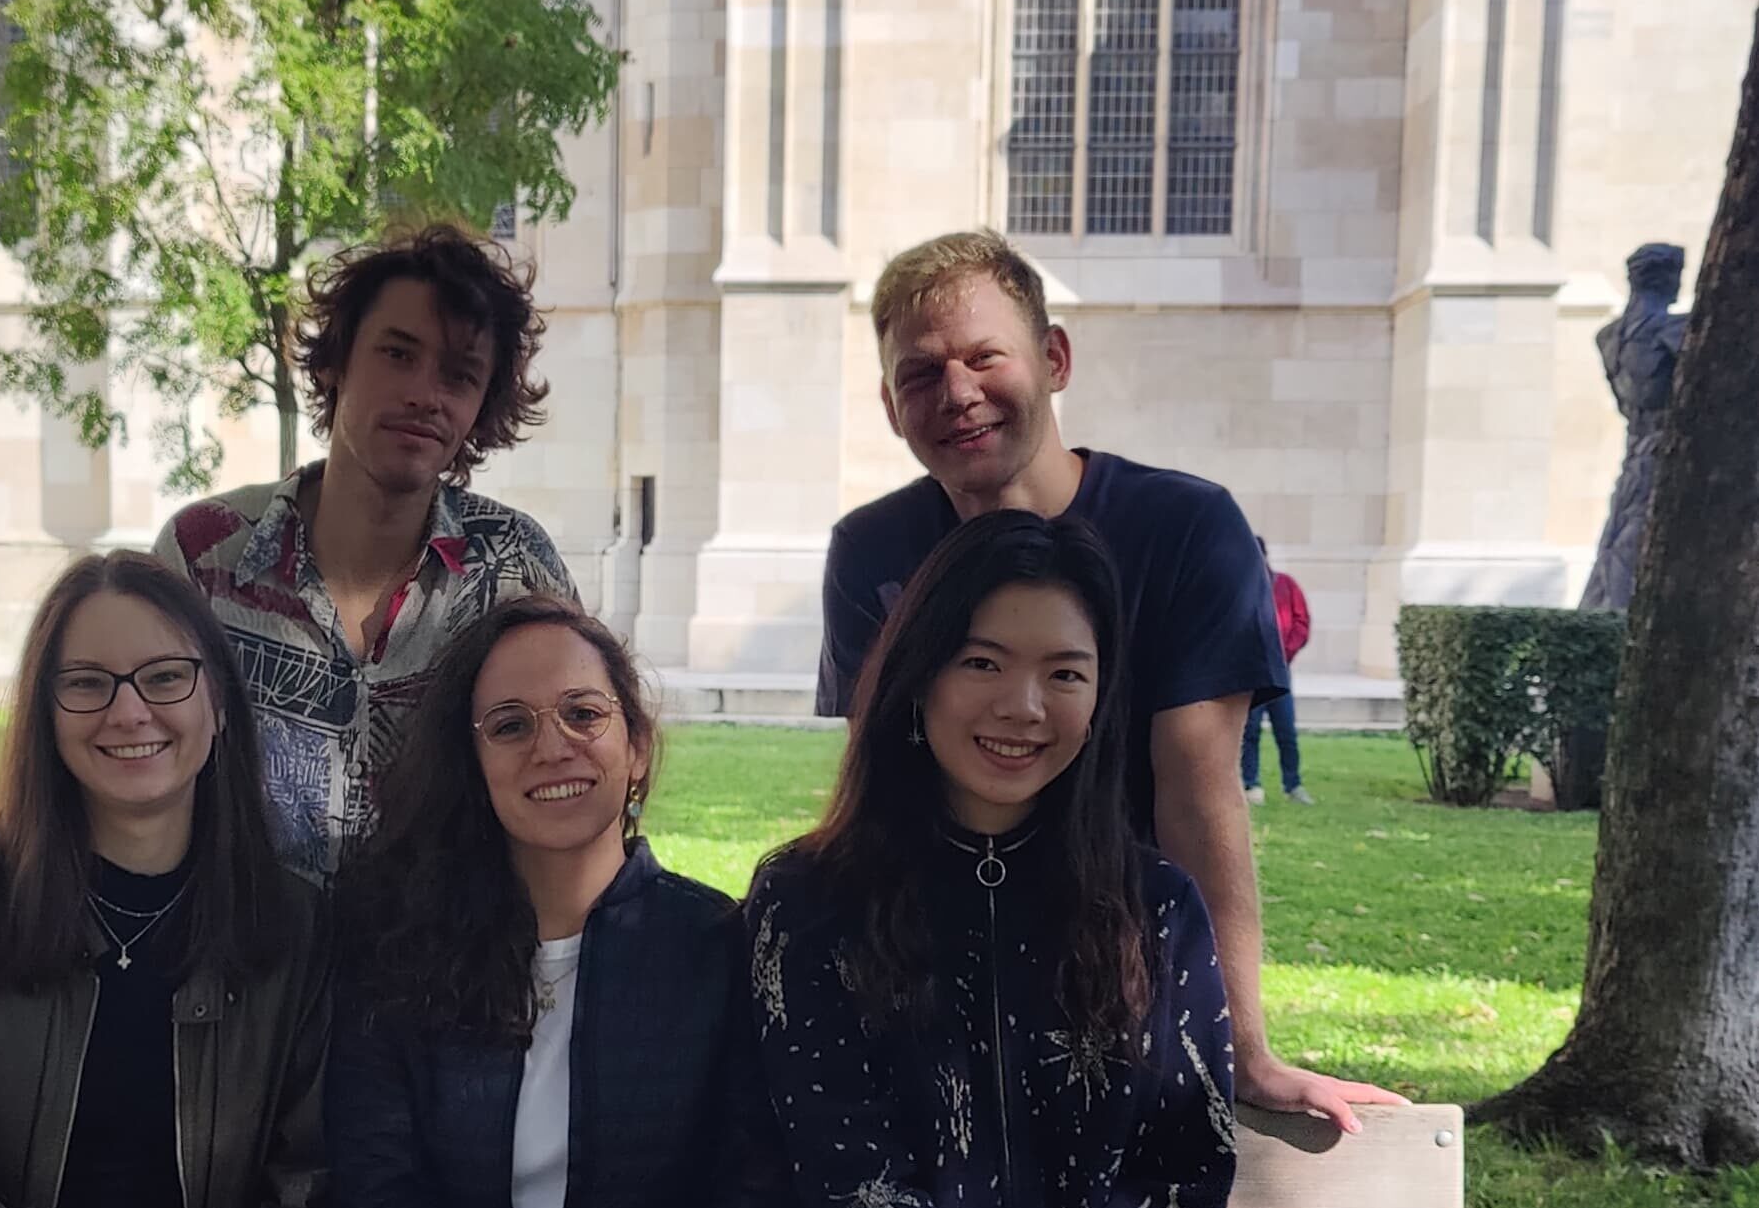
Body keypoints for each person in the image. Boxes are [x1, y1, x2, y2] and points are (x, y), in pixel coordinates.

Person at [815, 229, 1402, 1129]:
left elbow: (1197, 792)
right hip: (933, 974)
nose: (958, 393)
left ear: (1054, 359)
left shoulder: (1187, 531)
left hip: (1127, 971)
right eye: (922, 374)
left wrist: (1243, 1047)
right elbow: (882, 787)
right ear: (892, 408)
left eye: (984, 357)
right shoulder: (870, 550)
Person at [0, 551, 328, 1208]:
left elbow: (312, 1174)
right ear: (45, 714)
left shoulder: (293, 930)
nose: (129, 710)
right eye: (86, 683)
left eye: (165, 676)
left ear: (218, 702)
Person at [753, 510, 1235, 1206]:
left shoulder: (1159, 907)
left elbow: (1188, 1168)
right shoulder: (805, 900)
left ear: (1099, 698)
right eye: (982, 663)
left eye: (1065, 673)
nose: (1024, 706)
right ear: (920, 674)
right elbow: (846, 1176)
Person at [155, 224, 578, 885]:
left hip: (450, 950)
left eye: (460, 375)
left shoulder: (516, 569)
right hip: (237, 946)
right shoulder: (204, 556)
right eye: (398, 354)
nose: (425, 395)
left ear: (481, 404)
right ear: (334, 362)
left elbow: (576, 771)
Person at [327, 596, 779, 1207]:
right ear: (472, 765)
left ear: (637, 747)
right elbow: (374, 1181)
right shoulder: (401, 952)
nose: (552, 748)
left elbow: (751, 1183)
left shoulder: (720, 947)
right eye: (510, 726)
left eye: (583, 713)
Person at [1243, 537, 1313, 805]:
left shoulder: (1286, 585)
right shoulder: (1241, 587)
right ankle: (1251, 784)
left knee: (1286, 732)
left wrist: (1284, 654)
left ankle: (1293, 784)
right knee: (1249, 731)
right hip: (1252, 672)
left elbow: (1301, 622)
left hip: (1280, 672)